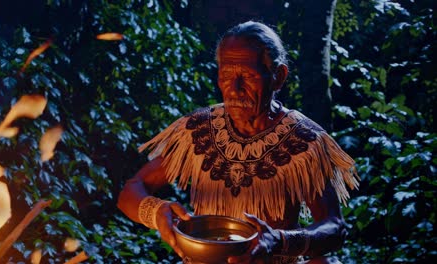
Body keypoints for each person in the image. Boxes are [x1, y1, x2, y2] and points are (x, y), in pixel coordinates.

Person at [117, 21, 359, 263]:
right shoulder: (199, 130)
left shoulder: (303, 140)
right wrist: (157, 211)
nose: (234, 89)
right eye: (226, 76)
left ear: (278, 77)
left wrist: (278, 240)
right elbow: (131, 190)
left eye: (248, 76)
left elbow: (334, 228)